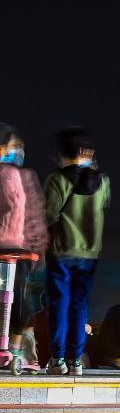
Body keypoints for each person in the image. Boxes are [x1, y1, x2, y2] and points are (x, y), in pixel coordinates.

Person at [43, 127, 111, 375]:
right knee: (80, 305)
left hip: (61, 251)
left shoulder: (57, 179)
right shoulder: (102, 181)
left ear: (62, 152)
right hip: (90, 254)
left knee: (59, 304)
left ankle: (58, 359)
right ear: (87, 152)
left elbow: (48, 215)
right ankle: (76, 361)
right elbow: (104, 204)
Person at [0, 123, 48, 371]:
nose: (16, 151)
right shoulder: (13, 176)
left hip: (17, 252)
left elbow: (34, 216)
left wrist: (37, 250)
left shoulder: (24, 176)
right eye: (12, 146)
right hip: (9, 248)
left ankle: (15, 351)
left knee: (19, 302)